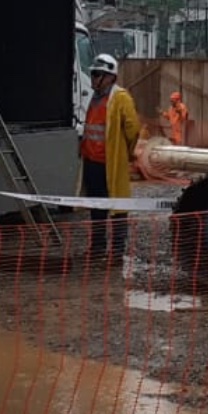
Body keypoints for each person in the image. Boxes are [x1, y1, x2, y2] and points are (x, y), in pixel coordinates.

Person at [79, 53, 140, 261]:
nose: (94, 79)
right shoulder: (95, 99)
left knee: (117, 208)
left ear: (110, 77)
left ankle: (116, 252)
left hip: (110, 164)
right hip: (92, 163)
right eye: (93, 74)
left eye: (98, 75)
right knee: (97, 207)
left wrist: (125, 154)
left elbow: (133, 130)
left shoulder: (120, 98)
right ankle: (97, 248)